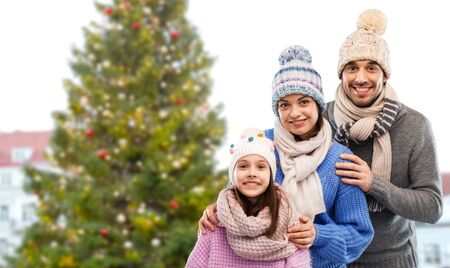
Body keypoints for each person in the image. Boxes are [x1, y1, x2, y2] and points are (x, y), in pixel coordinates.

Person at [199, 45, 374, 268]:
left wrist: (318, 234)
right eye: (284, 105)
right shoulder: (259, 145)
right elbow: (232, 201)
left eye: (304, 102)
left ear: (318, 105)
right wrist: (213, 213)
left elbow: (360, 234)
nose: (294, 113)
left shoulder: (340, 159)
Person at [324, 9, 443, 267]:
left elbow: (432, 208)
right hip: (330, 256)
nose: (361, 77)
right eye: (352, 67)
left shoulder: (414, 126)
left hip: (393, 259)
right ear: (341, 73)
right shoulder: (321, 119)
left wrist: (373, 184)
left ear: (385, 74)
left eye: (372, 68)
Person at [186, 128, 311, 267]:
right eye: (243, 166)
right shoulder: (214, 222)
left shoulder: (290, 222)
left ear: (271, 175)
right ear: (232, 175)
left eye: (261, 167)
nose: (252, 173)